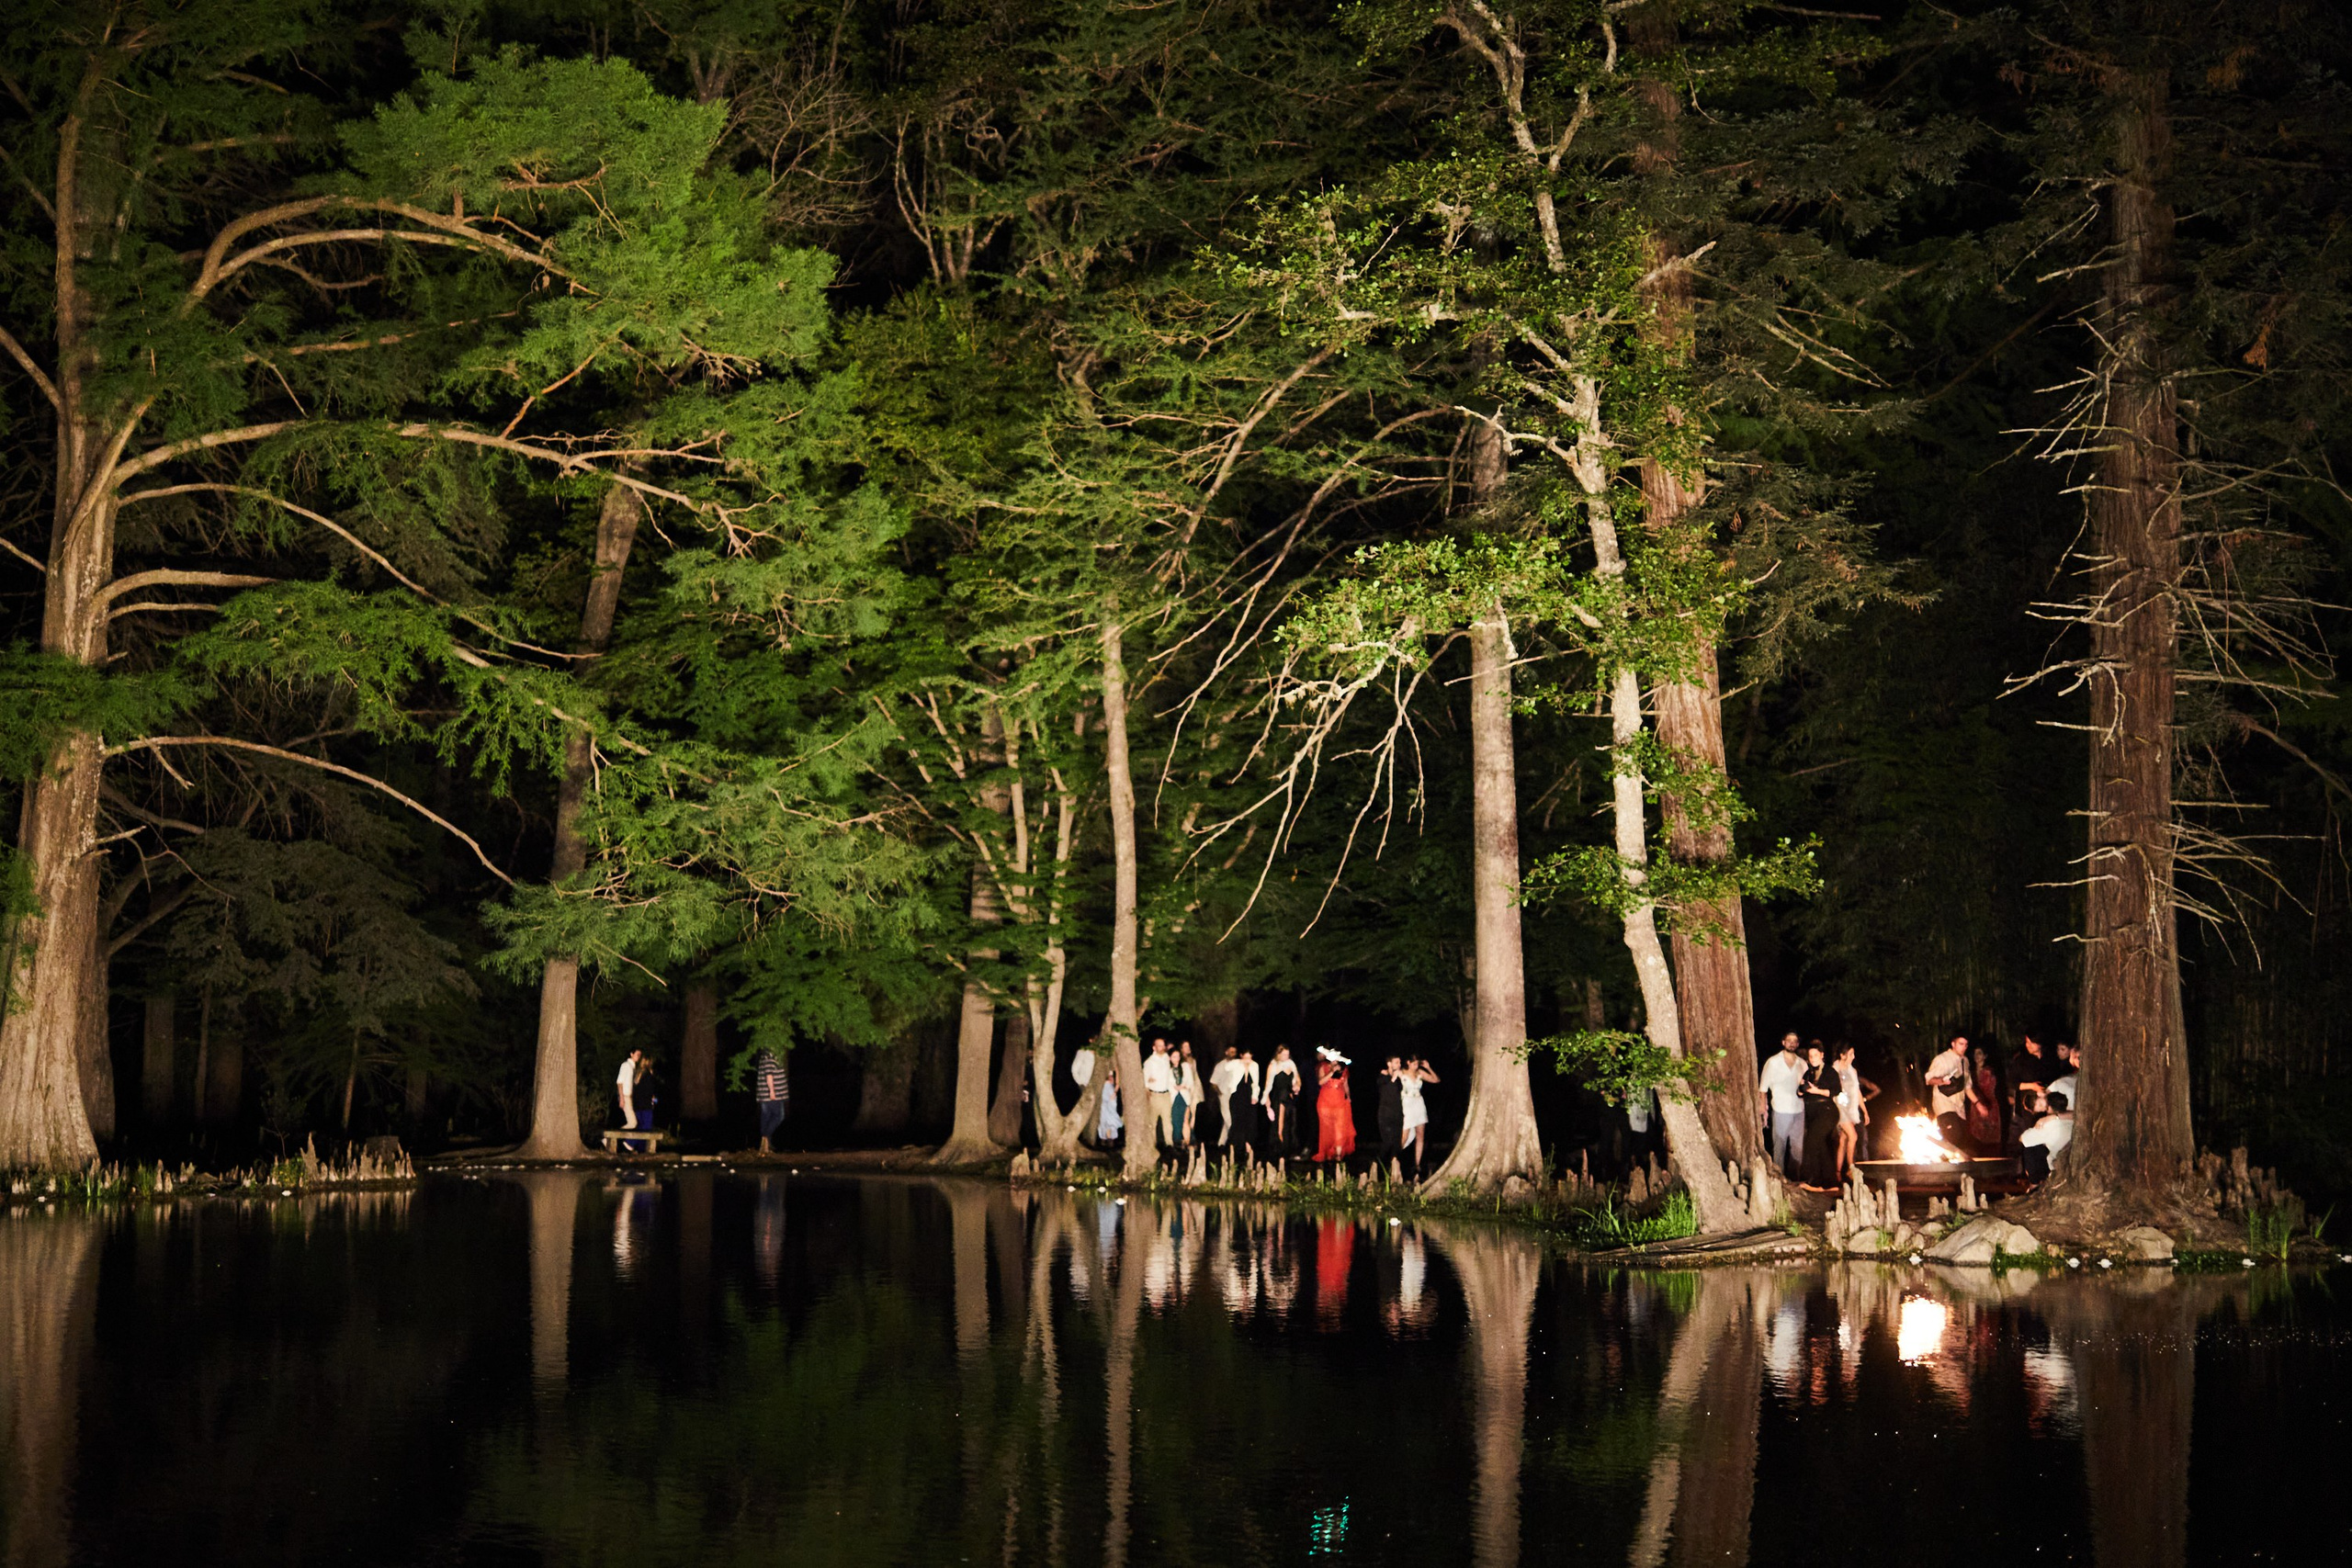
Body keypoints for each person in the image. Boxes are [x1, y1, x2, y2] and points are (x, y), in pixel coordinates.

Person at [1758, 1033, 1808, 1176]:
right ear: (1783, 1042)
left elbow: (1806, 1085)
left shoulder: (1802, 1064)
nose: (1792, 1043)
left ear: (1797, 1044)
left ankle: (1794, 1179)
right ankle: (1779, 1177)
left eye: (1795, 1041)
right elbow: (1763, 1087)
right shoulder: (1773, 1062)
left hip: (1798, 1109)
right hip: (1780, 1109)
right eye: (1789, 1041)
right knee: (1780, 1146)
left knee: (1797, 1148)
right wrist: (1763, 1107)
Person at [1798, 1043, 1842, 1189]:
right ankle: (1829, 1182)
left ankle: (1815, 1179)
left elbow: (1835, 1091)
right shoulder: (1808, 1072)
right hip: (1813, 1112)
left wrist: (1816, 1090)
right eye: (1810, 1056)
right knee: (1821, 1145)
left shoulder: (1830, 1072)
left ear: (1822, 1055)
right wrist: (1801, 1089)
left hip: (1827, 1111)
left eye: (1816, 1055)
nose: (1813, 1058)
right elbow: (1800, 1093)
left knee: (1811, 1140)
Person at [1925, 1036, 1976, 1156]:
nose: (1964, 1047)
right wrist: (1942, 1081)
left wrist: (1978, 1104)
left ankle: (1961, 1169)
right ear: (1953, 1044)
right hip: (1944, 1103)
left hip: (1959, 1106)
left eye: (1966, 1045)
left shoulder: (1965, 1061)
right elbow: (1929, 1079)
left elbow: (1967, 1087)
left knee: (1963, 1139)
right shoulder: (1942, 1059)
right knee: (1953, 1135)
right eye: (1961, 1044)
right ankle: (1942, 1164)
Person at [1833, 1043, 1874, 1178]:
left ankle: (1838, 1172)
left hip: (1851, 1109)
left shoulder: (1853, 1071)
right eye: (1850, 1054)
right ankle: (1851, 1169)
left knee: (1844, 1140)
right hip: (1839, 1108)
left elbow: (1857, 1092)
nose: (1853, 1057)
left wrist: (1865, 1111)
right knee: (1853, 1136)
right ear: (1842, 1055)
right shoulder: (1835, 1070)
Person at [1314, 1049, 1356, 1172]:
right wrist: (1331, 1072)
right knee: (1327, 1129)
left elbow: (1346, 1084)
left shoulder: (1344, 1069)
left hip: (1339, 1101)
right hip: (1325, 1101)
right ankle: (1327, 1153)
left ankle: (1338, 1156)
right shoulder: (1323, 1067)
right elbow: (1321, 1082)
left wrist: (1348, 1096)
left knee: (1340, 1128)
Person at [2020, 1089, 2075, 1181]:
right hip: (2070, 1151)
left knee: (2030, 1148)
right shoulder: (2070, 1115)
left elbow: (2023, 1139)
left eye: (2042, 1107)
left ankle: (2034, 1183)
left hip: (2060, 1164)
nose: (2042, 1109)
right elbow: (2075, 1114)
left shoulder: (2046, 1125)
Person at [1399, 1056, 1438, 1180]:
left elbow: (1436, 1080)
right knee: (1405, 1135)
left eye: (1418, 1064)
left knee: (1420, 1135)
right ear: (1408, 1063)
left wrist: (1428, 1068)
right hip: (1407, 1104)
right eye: (1414, 1064)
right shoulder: (1402, 1073)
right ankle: (1397, 1159)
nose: (1416, 1066)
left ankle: (1417, 1164)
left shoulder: (1420, 1073)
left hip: (1419, 1104)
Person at [1142, 1036, 1179, 1156]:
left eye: (1163, 1045)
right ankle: (1152, 1146)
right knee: (1152, 1122)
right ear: (1154, 1047)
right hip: (1154, 1095)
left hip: (1166, 1095)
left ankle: (1169, 1144)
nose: (1162, 1047)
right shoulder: (1149, 1062)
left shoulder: (1166, 1059)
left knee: (1168, 1121)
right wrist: (1148, 1095)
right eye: (1159, 1045)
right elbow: (1145, 1081)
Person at [1229, 1048, 1265, 1164]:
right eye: (1246, 1057)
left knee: (1250, 1121)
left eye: (1250, 1058)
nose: (1248, 1060)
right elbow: (1227, 1067)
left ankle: (1248, 1145)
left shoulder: (1255, 1066)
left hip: (1249, 1096)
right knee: (1238, 1121)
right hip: (1237, 1095)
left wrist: (1255, 1096)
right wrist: (1241, 1063)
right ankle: (1237, 1147)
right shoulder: (1236, 1064)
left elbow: (1256, 1083)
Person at [752, 1044, 789, 1154]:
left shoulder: (767, 1057)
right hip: (772, 1095)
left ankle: (766, 1145)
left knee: (767, 1117)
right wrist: (772, 1091)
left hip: (766, 1095)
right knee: (779, 1116)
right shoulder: (769, 1058)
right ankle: (766, 1138)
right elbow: (769, 1076)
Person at [1264, 1044, 1301, 1156]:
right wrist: (1267, 1105)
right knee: (1280, 1124)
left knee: (1291, 1123)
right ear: (1278, 1054)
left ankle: (1288, 1148)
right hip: (1279, 1096)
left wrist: (1297, 1086)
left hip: (1289, 1097)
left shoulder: (1291, 1064)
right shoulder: (1273, 1065)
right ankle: (1279, 1148)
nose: (1286, 1056)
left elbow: (1297, 1080)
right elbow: (1268, 1086)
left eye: (1287, 1054)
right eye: (1284, 1054)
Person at [1375, 1055, 1408, 1178]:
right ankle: (1375, 1165)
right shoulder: (1382, 1077)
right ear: (1389, 1064)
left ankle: (1394, 1172)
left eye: (1400, 1062)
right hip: (1385, 1115)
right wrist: (1393, 1077)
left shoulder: (1399, 1079)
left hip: (1398, 1114)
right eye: (1396, 1062)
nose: (1399, 1065)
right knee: (1387, 1143)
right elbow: (1384, 1088)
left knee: (1396, 1144)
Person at [616, 1048, 654, 1152]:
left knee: (637, 1124)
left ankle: (635, 1146)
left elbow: (637, 1088)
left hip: (635, 1102)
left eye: (640, 1055)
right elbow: (619, 1082)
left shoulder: (636, 1070)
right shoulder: (627, 1066)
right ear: (631, 1054)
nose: (638, 1056)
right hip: (631, 1099)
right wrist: (621, 1098)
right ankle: (625, 1141)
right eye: (637, 1054)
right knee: (637, 1124)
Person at [1966, 1044, 2003, 1151]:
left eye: (1979, 1053)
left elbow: (1989, 1089)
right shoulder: (1970, 1071)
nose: (1976, 1056)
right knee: (1977, 1135)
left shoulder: (1988, 1071)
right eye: (1975, 1053)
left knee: (1989, 1135)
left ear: (1985, 1056)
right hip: (1976, 1105)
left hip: (1988, 1104)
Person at [2011, 1034, 2055, 1122]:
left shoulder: (2051, 1058)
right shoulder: (2021, 1060)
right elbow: (2012, 1082)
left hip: (2048, 1105)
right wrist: (2032, 1086)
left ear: (2039, 1044)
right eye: (2027, 1042)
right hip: (2028, 1109)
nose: (2028, 1045)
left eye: (2031, 1043)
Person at [1209, 1045, 1245, 1150]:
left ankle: (1221, 1143)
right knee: (1228, 1118)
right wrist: (1220, 1093)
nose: (1233, 1053)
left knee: (1229, 1119)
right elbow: (1213, 1082)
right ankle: (1236, 1141)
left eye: (1235, 1052)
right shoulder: (1220, 1066)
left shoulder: (1238, 1064)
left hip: (1235, 1094)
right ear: (1226, 1052)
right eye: (1231, 1051)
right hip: (1224, 1094)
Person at [1177, 1041, 1204, 1145]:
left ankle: (1191, 1136)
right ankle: (1184, 1138)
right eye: (1185, 1046)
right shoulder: (1180, 1062)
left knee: (1193, 1114)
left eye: (1189, 1046)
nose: (1188, 1048)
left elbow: (1195, 1076)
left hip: (1194, 1091)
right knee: (1185, 1114)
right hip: (1184, 1090)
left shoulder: (1193, 1060)